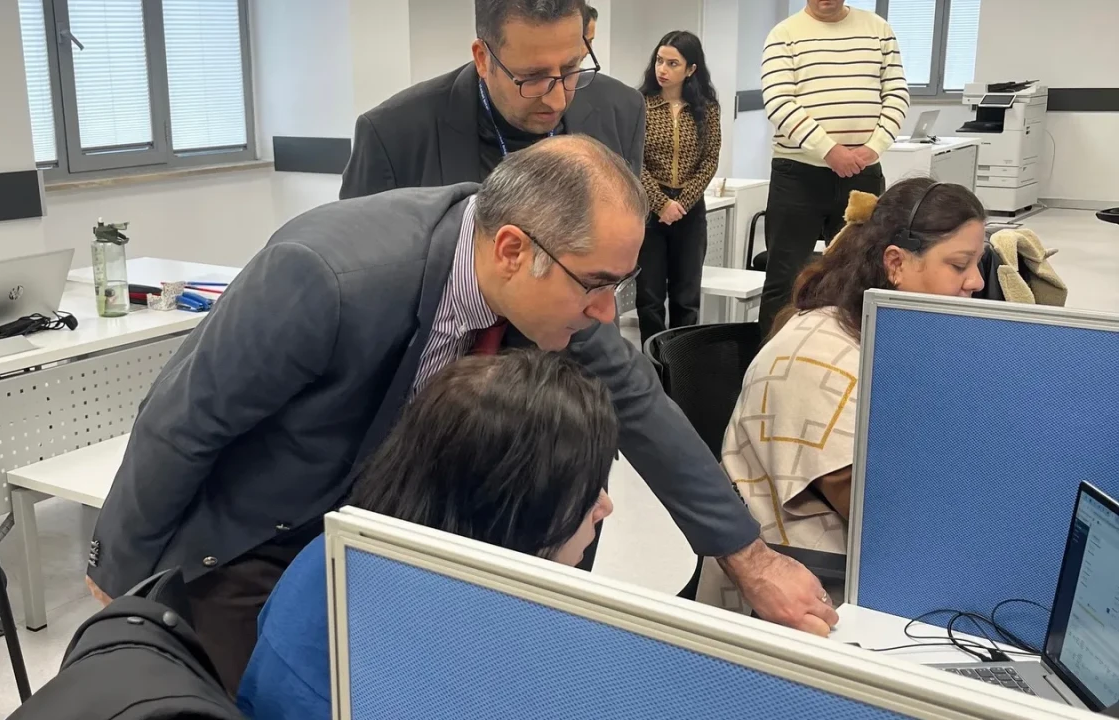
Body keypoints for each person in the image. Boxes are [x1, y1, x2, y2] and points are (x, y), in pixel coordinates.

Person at [85, 136, 835, 694]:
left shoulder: (550, 280)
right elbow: (182, 421)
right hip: (260, 534)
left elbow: (642, 406)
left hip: (391, 525)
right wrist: (116, 588)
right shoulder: (327, 276)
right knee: (278, 693)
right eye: (596, 285)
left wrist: (752, 560)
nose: (608, 312)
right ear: (511, 250)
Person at [236, 350, 618, 720]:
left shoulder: (330, 557)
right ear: (514, 507)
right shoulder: (486, 667)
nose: (605, 506)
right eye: (587, 489)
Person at [698, 179, 987, 612]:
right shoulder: (817, 360)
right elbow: (886, 519)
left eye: (978, 263)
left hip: (854, 564)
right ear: (896, 263)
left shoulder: (879, 329)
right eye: (959, 265)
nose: (976, 281)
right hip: (805, 588)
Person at [339, 0, 644, 199]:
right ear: (483, 59)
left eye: (571, 67)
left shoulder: (623, 111)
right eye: (532, 76)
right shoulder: (392, 137)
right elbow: (361, 268)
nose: (558, 101)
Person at [757, 0, 908, 335]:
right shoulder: (784, 34)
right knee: (785, 278)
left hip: (863, 172)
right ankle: (770, 357)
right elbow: (779, 102)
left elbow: (897, 94)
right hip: (798, 174)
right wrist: (829, 150)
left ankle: (848, 355)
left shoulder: (878, 30)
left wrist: (874, 146)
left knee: (862, 275)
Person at [635, 31, 721, 344]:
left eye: (673, 63)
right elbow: (634, 159)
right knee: (650, 298)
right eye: (660, 61)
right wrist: (661, 204)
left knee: (686, 297)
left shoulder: (706, 109)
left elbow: (710, 159)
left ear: (691, 69)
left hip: (690, 209)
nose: (663, 69)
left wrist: (681, 203)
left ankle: (683, 362)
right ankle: (654, 363)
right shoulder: (641, 104)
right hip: (650, 209)